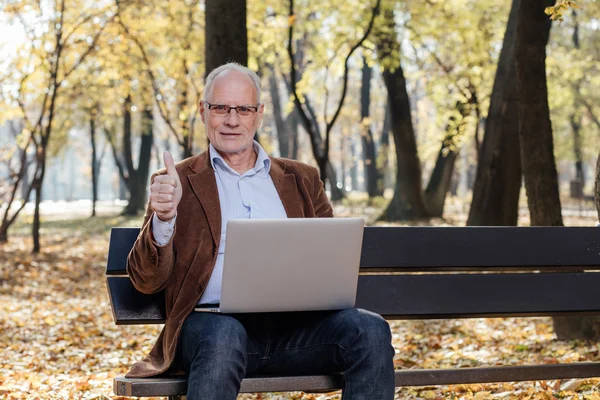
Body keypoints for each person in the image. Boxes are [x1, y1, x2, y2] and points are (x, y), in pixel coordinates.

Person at [126, 62, 395, 399]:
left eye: (244, 109)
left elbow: (331, 261)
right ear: (202, 111)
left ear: (259, 113)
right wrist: (163, 218)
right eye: (221, 108)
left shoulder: (302, 179)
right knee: (224, 336)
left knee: (368, 329)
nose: (232, 120)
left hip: (296, 332)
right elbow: (146, 280)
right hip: (211, 329)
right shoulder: (175, 181)